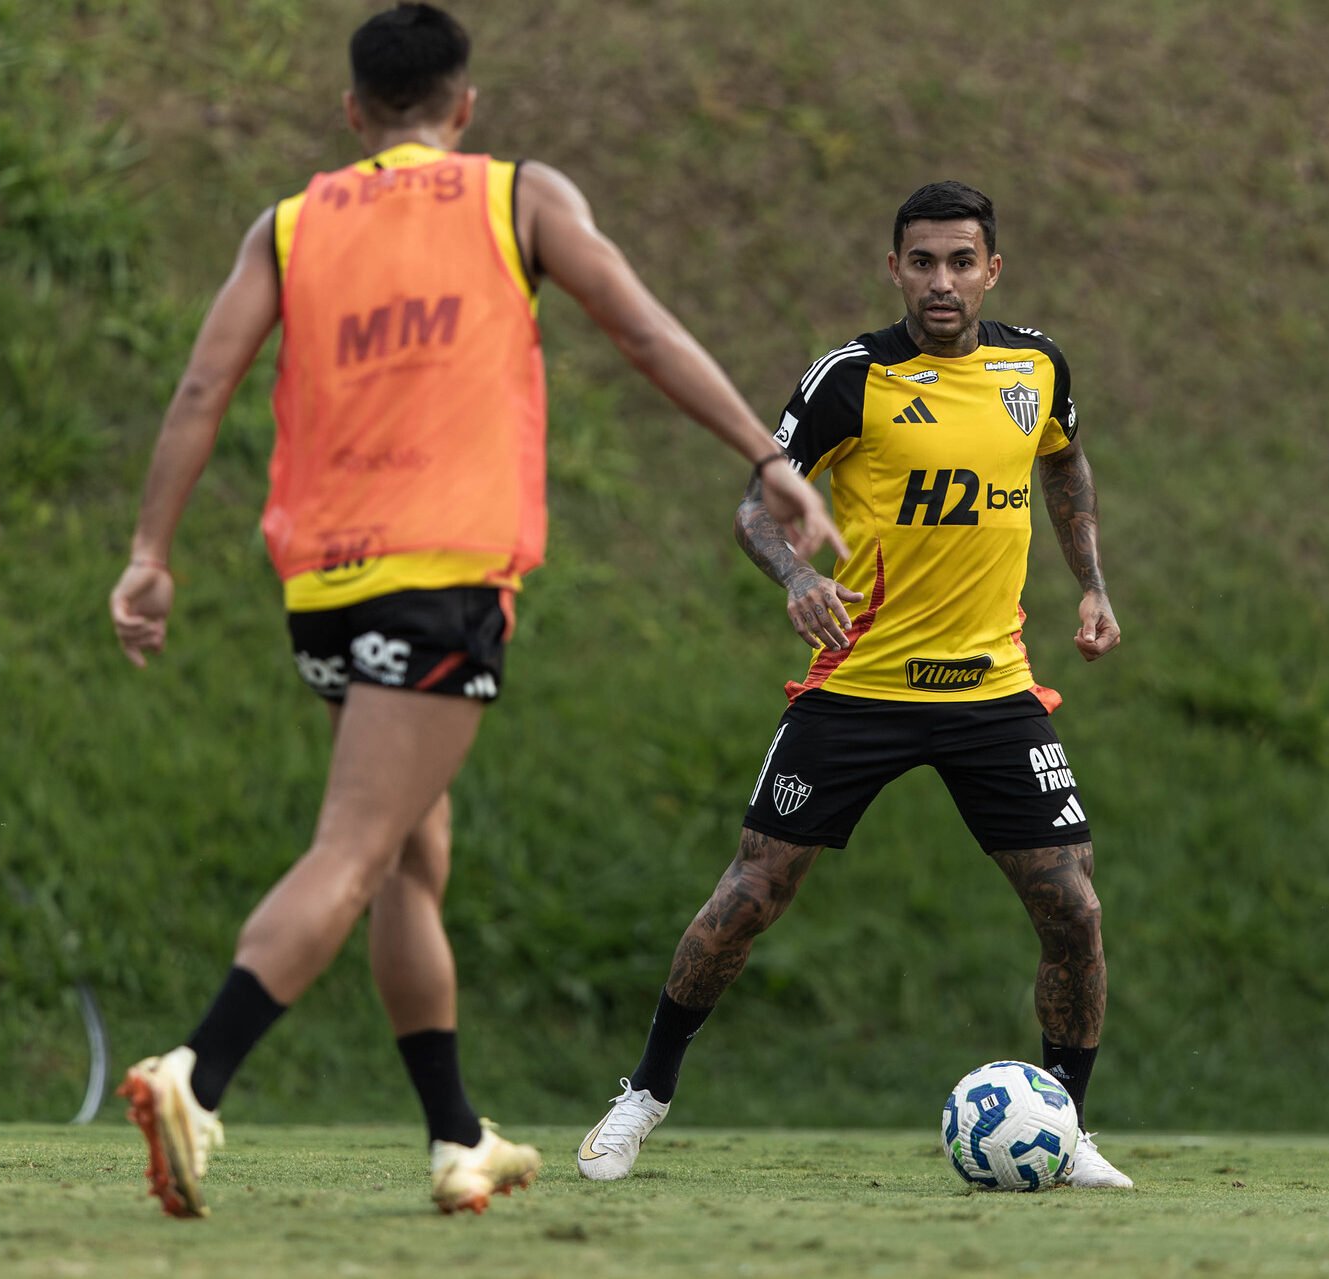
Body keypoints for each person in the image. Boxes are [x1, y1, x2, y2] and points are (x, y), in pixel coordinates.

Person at [105, 3, 843, 1218]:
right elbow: (644, 329)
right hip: (440, 576)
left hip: (325, 586)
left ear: (352, 113)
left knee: (410, 853)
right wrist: (766, 456)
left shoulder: (289, 223)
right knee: (356, 847)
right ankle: (197, 1070)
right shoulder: (518, 197)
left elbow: (200, 385)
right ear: (465, 106)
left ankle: (456, 1137)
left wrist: (149, 551)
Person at [576, 180, 1131, 1189]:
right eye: (920, 262)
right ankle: (643, 1094)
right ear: (893, 269)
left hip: (989, 688)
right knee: (749, 894)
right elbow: (756, 505)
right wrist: (797, 576)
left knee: (1073, 909)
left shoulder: (1035, 366)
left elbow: (1064, 463)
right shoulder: (849, 379)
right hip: (859, 685)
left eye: (961, 261)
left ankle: (1062, 1124)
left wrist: (1089, 585)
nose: (941, 282)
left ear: (991, 269)